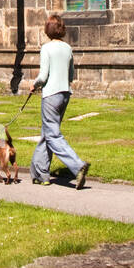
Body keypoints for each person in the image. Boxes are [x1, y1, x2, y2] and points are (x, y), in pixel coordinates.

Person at [29, 13, 90, 189]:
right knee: (47, 133)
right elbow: (71, 74)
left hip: (51, 95)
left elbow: (43, 75)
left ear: (48, 30)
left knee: (53, 135)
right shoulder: (68, 48)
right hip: (65, 94)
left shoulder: (46, 48)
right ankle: (41, 174)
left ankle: (77, 165)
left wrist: (34, 85)